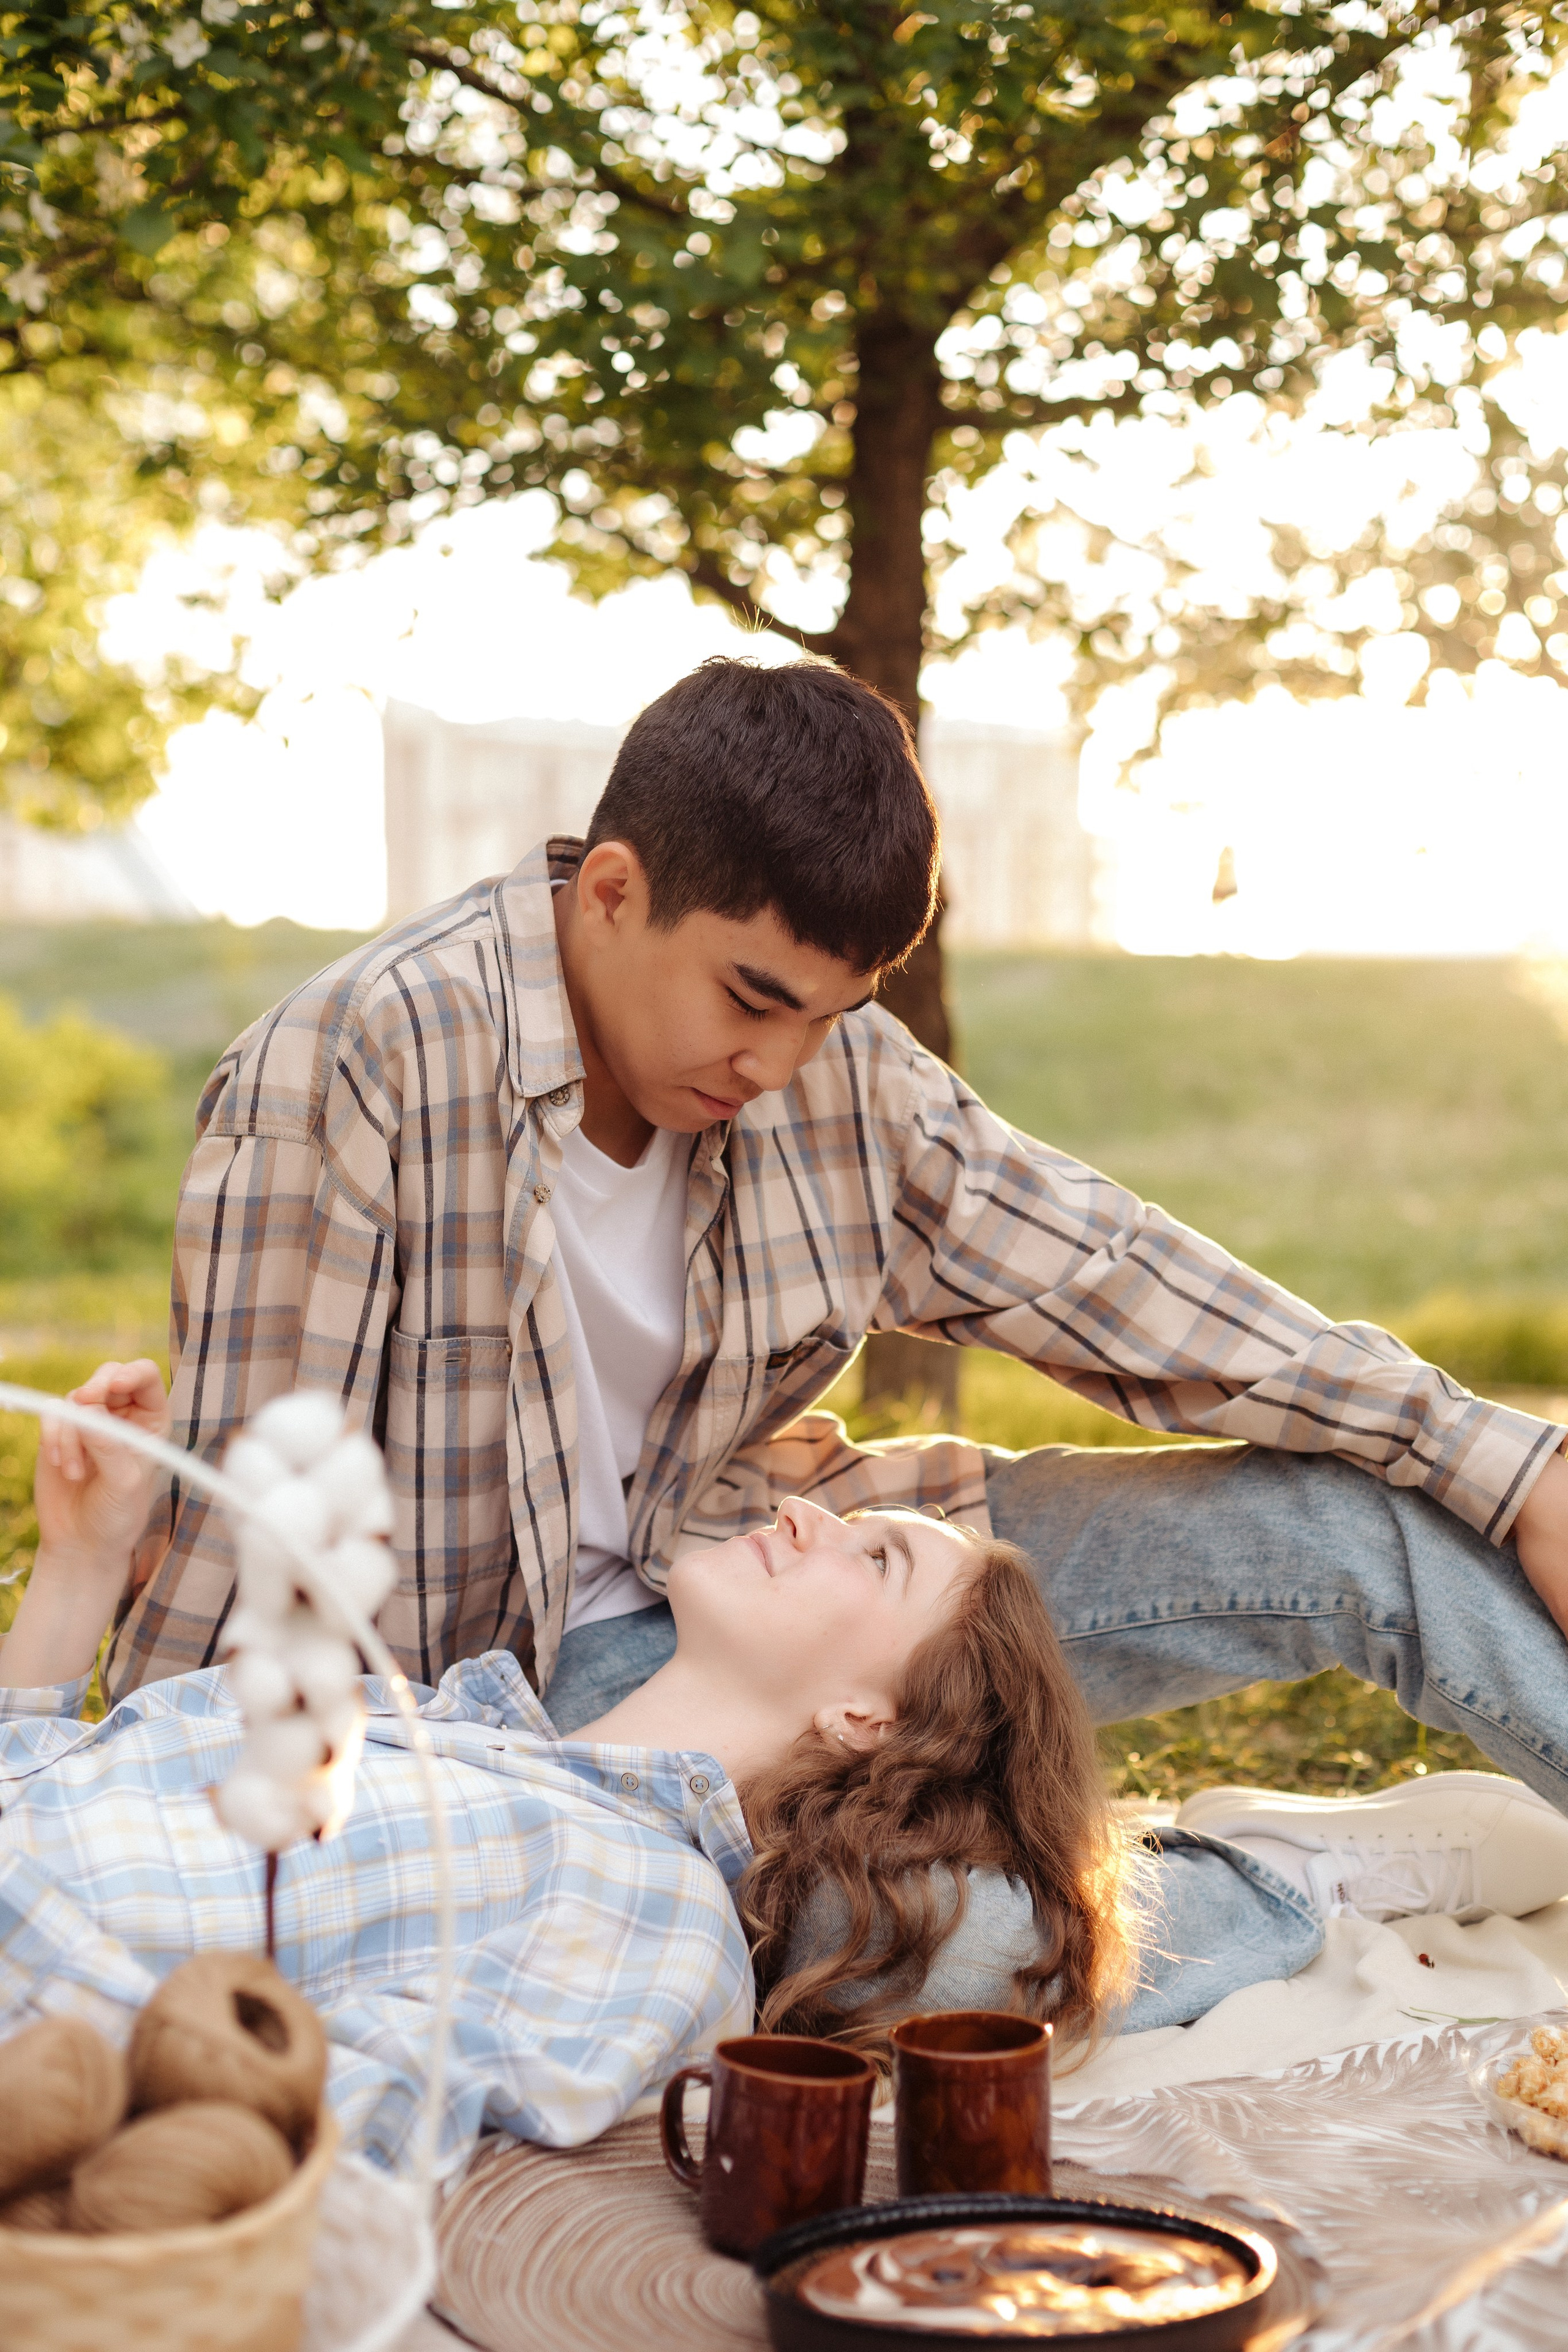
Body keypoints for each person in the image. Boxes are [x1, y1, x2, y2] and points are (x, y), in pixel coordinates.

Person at [108, 657, 1568, 1839]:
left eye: (827, 1010)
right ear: (609, 891)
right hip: (511, 1723)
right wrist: (183, 1866)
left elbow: (1108, 1275)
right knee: (946, 1941)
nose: (784, 1058)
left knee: (1367, 1520)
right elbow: (236, 1532)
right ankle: (1302, 1893)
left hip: (806, 1583)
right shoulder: (363, 1060)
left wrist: (1507, 1469)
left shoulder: (835, 1067)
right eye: (753, 998)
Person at [10, 1364, 1567, 2176]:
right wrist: (75, 1576)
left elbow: (346, 2135)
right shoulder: (401, 1717)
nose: (818, 1505)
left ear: (864, 1720)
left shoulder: (644, 1911)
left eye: (875, 1555)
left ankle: (1269, 1884)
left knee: (985, 1953)